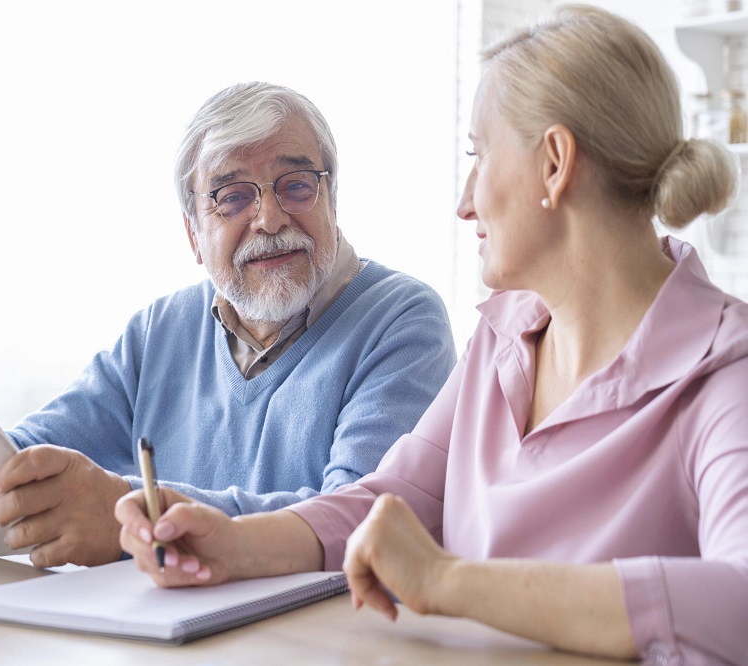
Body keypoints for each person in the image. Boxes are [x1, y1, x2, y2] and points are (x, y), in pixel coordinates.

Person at [115, 7, 748, 665]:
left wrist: (450, 582)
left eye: (478, 156)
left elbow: (740, 599)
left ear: (555, 164)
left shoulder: (724, 368)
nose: (465, 199)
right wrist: (236, 544)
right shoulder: (502, 340)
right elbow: (387, 509)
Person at [0, 82, 456, 568]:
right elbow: (19, 465)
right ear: (193, 234)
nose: (270, 217)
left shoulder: (403, 318)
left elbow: (359, 521)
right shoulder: (159, 330)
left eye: (296, 185)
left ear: (333, 200)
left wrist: (134, 514)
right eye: (231, 196)